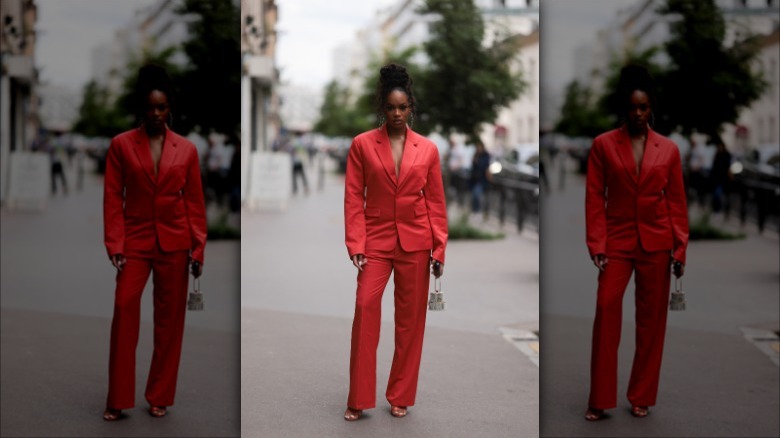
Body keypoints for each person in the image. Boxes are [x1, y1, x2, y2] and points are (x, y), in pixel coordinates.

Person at [343, 63, 447, 421]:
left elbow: (435, 201)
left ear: (411, 107)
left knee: (410, 323)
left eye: (403, 107)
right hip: (374, 242)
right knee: (365, 308)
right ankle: (357, 397)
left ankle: (400, 394)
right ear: (382, 108)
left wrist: (439, 248)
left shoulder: (428, 149)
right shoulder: (362, 145)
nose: (397, 113)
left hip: (417, 244)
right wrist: (356, 244)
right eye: (391, 107)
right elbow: (353, 198)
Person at [102, 64, 207, 421]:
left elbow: (194, 201)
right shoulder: (121, 146)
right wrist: (115, 243)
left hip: (176, 244)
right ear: (141, 109)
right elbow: (113, 198)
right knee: (124, 309)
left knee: (169, 323)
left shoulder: (187, 150)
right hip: (133, 242)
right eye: (151, 107)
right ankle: (117, 398)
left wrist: (198, 247)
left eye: (162, 107)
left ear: (170, 108)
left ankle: (159, 394)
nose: (156, 113)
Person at [584, 65, 688, 421]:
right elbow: (595, 198)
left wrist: (680, 247)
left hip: (658, 244)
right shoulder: (603, 145)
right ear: (624, 108)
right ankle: (599, 398)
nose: (638, 113)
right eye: (633, 107)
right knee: (606, 309)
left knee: (651, 323)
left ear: (652, 107)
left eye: (644, 107)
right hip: (616, 242)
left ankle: (641, 394)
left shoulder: (669, 150)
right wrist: (597, 243)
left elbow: (676, 201)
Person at [469, 140, 491, 213]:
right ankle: (475, 210)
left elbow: (485, 166)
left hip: (481, 179)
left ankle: (477, 210)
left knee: (477, 195)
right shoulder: (476, 155)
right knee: (474, 195)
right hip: (474, 179)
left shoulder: (485, 155)